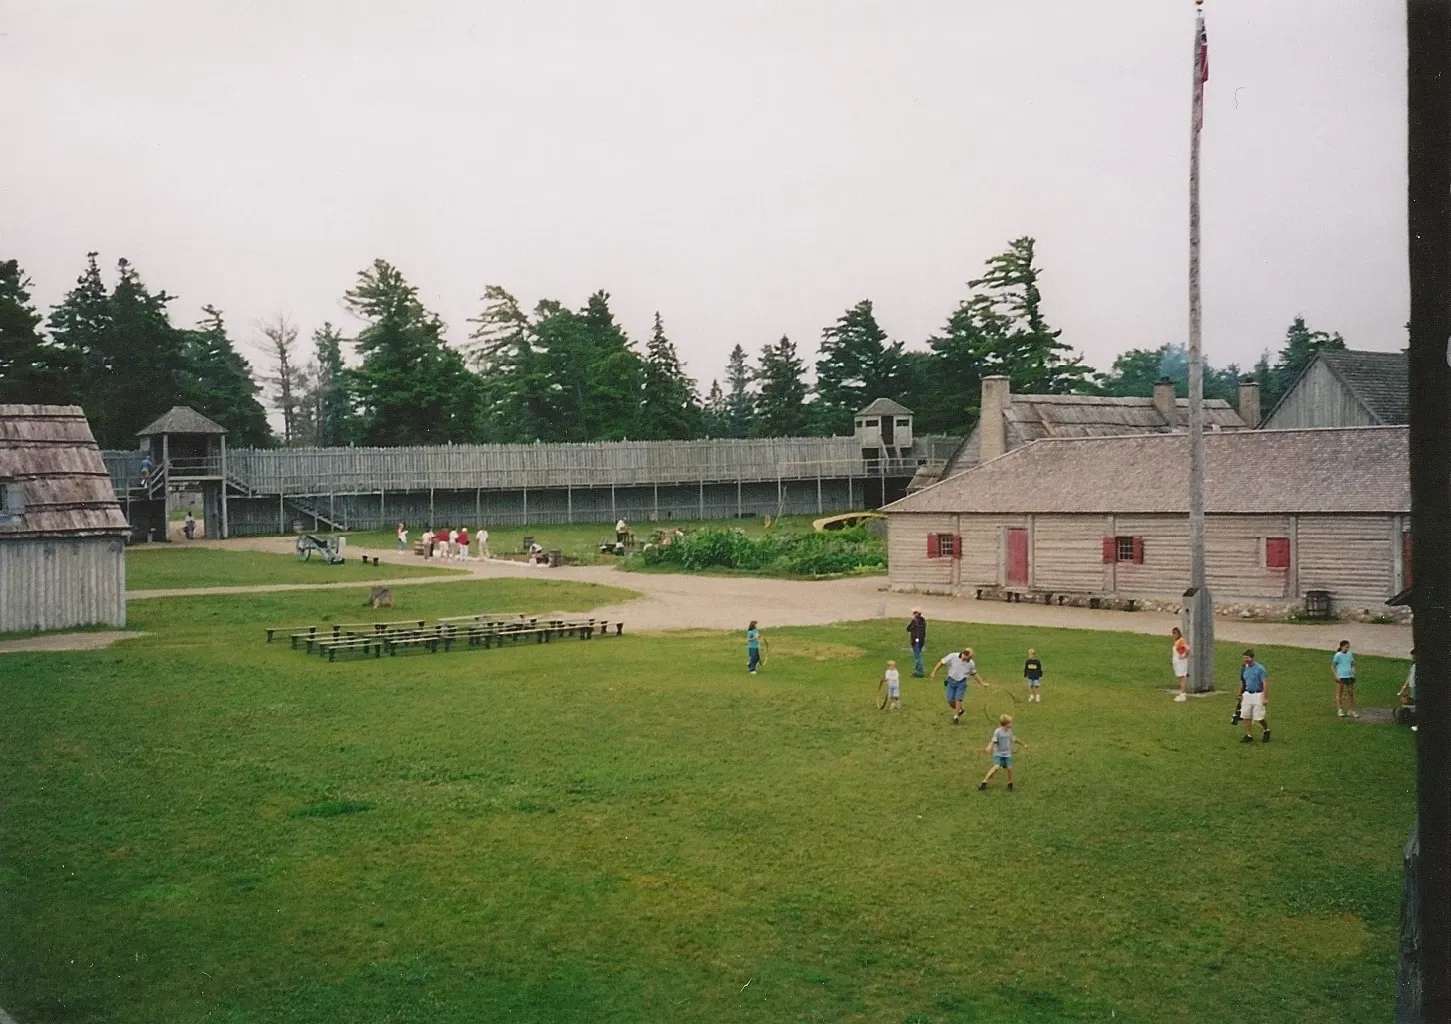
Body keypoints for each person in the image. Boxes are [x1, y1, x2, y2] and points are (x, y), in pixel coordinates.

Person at [929, 646, 989, 725]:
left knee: (958, 699)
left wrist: (982, 683)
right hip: (951, 681)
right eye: (969, 657)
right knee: (950, 700)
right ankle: (960, 710)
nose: (969, 660)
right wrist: (934, 672)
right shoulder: (953, 656)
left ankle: (956, 717)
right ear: (964, 654)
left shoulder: (971, 663)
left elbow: (974, 674)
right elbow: (941, 663)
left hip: (961, 682)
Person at [978, 714, 1028, 791]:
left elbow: (1014, 739)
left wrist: (1024, 744)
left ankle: (1010, 784)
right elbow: (993, 741)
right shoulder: (997, 731)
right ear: (1006, 724)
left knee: (1009, 768)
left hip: (1007, 754)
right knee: (996, 767)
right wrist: (989, 747)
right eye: (1010, 722)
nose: (1011, 724)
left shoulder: (1009, 731)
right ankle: (984, 782)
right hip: (998, 753)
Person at [1237, 649, 1271, 744]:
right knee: (1246, 715)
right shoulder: (1244, 668)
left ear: (1252, 658)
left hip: (1258, 694)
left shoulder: (1260, 668)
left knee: (1259, 717)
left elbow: (1265, 683)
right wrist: (1239, 693)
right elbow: (1242, 681)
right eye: (1244, 658)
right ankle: (1248, 735)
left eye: (1247, 658)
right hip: (1247, 694)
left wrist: (1265, 697)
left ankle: (1266, 729)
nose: (1246, 660)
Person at [1332, 640, 1358, 718]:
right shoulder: (1338, 655)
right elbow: (1333, 666)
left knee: (1350, 693)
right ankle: (1340, 710)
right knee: (1340, 693)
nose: (1347, 648)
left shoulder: (1350, 654)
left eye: (1348, 647)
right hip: (1341, 677)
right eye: (1346, 647)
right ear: (1341, 647)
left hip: (1349, 676)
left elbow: (1352, 664)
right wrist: (1336, 675)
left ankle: (1351, 710)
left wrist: (1353, 670)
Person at [906, 609, 928, 677]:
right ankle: (917, 670)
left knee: (917, 657)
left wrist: (911, 622)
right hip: (921, 641)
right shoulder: (923, 621)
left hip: (916, 641)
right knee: (918, 656)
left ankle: (920, 672)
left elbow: (908, 629)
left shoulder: (915, 621)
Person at [1171, 627, 1190, 703]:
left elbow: (1187, 648)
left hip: (1181, 662)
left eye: (1175, 633)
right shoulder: (1177, 641)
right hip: (1177, 663)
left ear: (1178, 633)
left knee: (1182, 677)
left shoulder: (1181, 640)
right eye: (1173, 633)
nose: (1174, 635)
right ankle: (1181, 693)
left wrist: (1184, 656)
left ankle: (1183, 695)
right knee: (1180, 677)